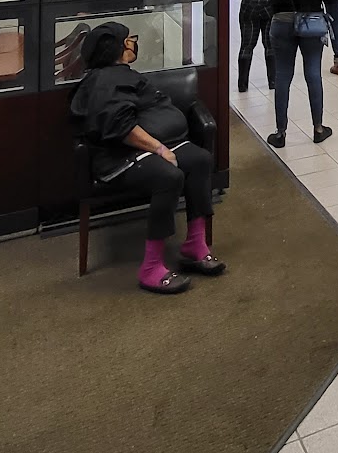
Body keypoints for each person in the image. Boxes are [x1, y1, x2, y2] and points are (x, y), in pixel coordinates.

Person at [69, 21, 226, 295]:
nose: (134, 42)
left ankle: (195, 244)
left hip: (155, 146)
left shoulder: (122, 74)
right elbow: (121, 127)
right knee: (169, 177)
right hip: (119, 157)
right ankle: (151, 267)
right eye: (129, 38)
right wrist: (160, 149)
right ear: (117, 47)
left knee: (200, 160)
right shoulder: (105, 81)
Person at [234, 0, 337, 148]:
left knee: (282, 75)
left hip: (280, 22)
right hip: (311, 23)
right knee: (313, 73)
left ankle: (280, 133)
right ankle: (318, 128)